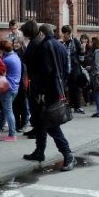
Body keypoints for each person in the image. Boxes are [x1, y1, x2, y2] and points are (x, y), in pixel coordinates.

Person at [22, 23, 75, 171]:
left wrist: (42, 92)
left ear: (41, 33)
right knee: (41, 123)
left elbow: (45, 71)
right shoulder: (60, 45)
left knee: (51, 125)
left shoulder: (45, 46)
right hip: (56, 89)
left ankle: (68, 155)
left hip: (46, 92)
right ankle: (39, 151)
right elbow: (65, 69)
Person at [0, 39, 22, 141]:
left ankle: (12, 134)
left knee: (8, 111)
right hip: (14, 87)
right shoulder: (15, 56)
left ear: (3, 50)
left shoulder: (6, 60)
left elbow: (0, 70)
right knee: (5, 111)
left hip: (7, 88)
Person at [61, 25, 85, 114]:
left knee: (76, 87)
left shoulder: (75, 42)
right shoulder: (62, 43)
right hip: (66, 68)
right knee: (70, 87)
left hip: (75, 68)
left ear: (68, 33)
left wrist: (82, 52)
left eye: (64, 34)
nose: (63, 35)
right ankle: (71, 103)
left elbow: (81, 57)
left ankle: (78, 106)